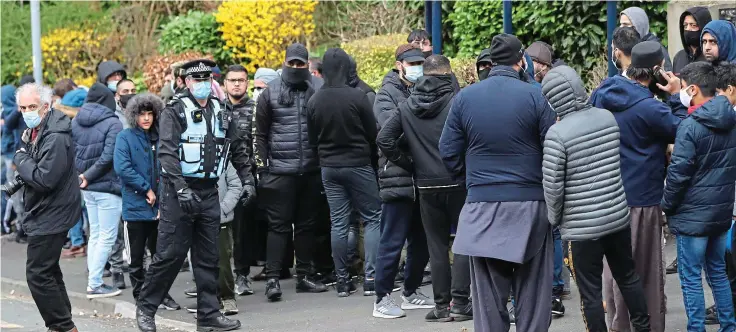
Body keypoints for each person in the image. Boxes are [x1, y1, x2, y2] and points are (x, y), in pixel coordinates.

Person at [440, 33, 557, 332]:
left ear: (490, 63)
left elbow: (448, 151)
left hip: (482, 206)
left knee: (488, 300)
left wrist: (473, 183)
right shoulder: (535, 96)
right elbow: (552, 149)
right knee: (533, 296)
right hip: (530, 205)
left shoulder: (465, 98)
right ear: (522, 61)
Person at [135, 59, 256, 332]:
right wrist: (180, 188)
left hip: (209, 191)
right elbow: (166, 154)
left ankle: (209, 315)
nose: (202, 84)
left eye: (206, 79)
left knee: (208, 257)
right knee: (170, 255)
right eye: (196, 79)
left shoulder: (222, 110)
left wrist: (248, 180)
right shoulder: (175, 111)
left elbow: (237, 148)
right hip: (179, 193)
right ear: (187, 82)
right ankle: (146, 308)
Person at [540, 65, 651, 332]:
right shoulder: (607, 118)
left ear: (553, 99)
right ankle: (643, 328)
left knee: (590, 294)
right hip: (616, 218)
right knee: (628, 277)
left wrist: (554, 219)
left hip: (581, 230)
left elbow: (553, 186)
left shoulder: (557, 134)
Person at [590, 41, 684, 332]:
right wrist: (677, 96)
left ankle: (617, 324)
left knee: (613, 269)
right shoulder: (649, 108)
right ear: (657, 70)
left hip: (606, 196)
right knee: (643, 269)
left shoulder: (601, 93)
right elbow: (683, 130)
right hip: (641, 198)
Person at [376, 54, 469, 321]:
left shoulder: (407, 105)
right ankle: (461, 303)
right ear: (448, 74)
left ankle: (441, 306)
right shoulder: (457, 102)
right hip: (457, 180)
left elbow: (384, 138)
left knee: (436, 246)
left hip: (426, 184)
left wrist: (409, 164)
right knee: (463, 241)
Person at [662, 61, 736, 331]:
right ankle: (729, 326)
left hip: (692, 216)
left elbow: (678, 174)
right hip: (719, 214)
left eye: (682, 88)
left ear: (692, 90)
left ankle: (697, 328)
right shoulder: (730, 119)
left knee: (691, 277)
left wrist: (667, 205)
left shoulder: (690, 126)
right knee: (717, 272)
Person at [254, 43, 328, 302]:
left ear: (307, 64)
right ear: (285, 63)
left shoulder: (319, 89)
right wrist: (263, 169)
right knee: (278, 227)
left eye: (300, 64)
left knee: (307, 226)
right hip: (280, 172)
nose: (296, 68)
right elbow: (260, 135)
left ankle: (305, 276)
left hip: (311, 169)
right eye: (292, 63)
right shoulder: (269, 94)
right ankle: (273, 278)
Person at [306, 47, 382, 297]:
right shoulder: (357, 96)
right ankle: (371, 278)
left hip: (329, 167)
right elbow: (373, 134)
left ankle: (341, 281)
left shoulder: (315, 100)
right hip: (358, 164)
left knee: (338, 223)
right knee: (373, 217)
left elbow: (312, 139)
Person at [12, 82, 82, 332]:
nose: (27, 111)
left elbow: (44, 179)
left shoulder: (54, 135)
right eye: (22, 107)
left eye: (32, 106)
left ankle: (63, 326)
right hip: (47, 209)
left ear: (46, 105)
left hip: (52, 211)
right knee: (48, 271)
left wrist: (20, 158)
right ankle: (63, 324)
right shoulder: (38, 130)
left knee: (38, 275)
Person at [372, 43, 430, 306]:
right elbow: (389, 133)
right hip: (397, 178)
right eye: (411, 64)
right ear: (399, 65)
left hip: (423, 179)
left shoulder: (424, 89)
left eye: (420, 63)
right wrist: (414, 146)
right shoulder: (385, 95)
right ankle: (382, 297)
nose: (417, 68)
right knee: (392, 241)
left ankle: (411, 291)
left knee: (421, 241)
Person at [113, 93, 180, 311]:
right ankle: (140, 296)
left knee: (161, 257)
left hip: (160, 207)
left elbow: (169, 166)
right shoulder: (125, 137)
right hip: (135, 208)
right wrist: (146, 189)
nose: (146, 118)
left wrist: (160, 197)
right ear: (134, 115)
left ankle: (161, 294)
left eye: (150, 113)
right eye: (142, 114)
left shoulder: (159, 136)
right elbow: (123, 168)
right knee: (136, 258)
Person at [72, 83, 125, 298]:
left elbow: (72, 151)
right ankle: (94, 284)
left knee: (95, 234)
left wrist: (82, 176)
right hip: (108, 187)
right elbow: (110, 156)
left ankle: (93, 280)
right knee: (107, 236)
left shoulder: (76, 121)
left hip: (86, 187)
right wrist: (89, 176)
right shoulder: (113, 123)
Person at [221, 64, 256, 297]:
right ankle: (216, 278)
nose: (236, 84)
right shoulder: (215, 109)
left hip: (246, 176)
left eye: (241, 80)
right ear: (225, 83)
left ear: (247, 83)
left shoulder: (256, 108)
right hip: (220, 179)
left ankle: (242, 276)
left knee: (243, 232)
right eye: (232, 80)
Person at [57, 88, 88, 260]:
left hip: (73, 171)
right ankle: (81, 242)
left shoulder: (70, 126)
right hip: (85, 171)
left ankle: (77, 243)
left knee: (73, 207)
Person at [216, 161, 245, 315]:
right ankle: (208, 299)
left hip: (221, 218)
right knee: (200, 261)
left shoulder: (223, 158)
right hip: (198, 217)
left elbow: (235, 185)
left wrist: (223, 209)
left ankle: (228, 298)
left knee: (223, 260)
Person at [620, 6, 672, 71]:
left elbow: (667, 74)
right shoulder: (629, 46)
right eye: (621, 24)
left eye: (625, 24)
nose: (621, 28)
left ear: (638, 25)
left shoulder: (655, 49)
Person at [672, 7, 713, 75]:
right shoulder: (679, 57)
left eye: (693, 25)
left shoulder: (711, 57)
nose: (688, 29)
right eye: (685, 25)